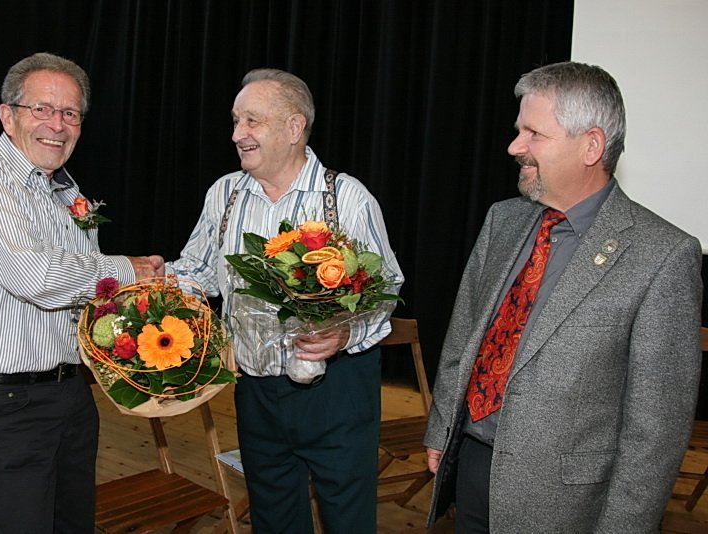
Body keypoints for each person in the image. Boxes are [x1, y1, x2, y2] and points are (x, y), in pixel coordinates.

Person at [424, 61, 703, 533]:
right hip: (471, 466)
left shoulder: (663, 255)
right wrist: (441, 428)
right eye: (519, 131)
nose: (515, 147)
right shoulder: (504, 220)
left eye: (534, 133)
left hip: (567, 501)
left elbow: (655, 430)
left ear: (591, 145)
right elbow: (464, 335)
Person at [0, 52, 165, 533]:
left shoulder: (66, 193)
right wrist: (129, 271)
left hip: (71, 399)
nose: (56, 125)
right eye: (42, 109)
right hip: (3, 406)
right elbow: (35, 276)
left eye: (70, 113)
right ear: (8, 115)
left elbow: (87, 293)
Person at [166, 68, 404, 533]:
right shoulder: (225, 194)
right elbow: (194, 274)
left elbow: (388, 286)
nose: (238, 134)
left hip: (337, 390)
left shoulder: (345, 197)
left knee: (347, 520)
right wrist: (153, 290)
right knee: (273, 519)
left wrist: (346, 331)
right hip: (255, 391)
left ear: (294, 128)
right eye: (236, 122)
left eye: (251, 121)